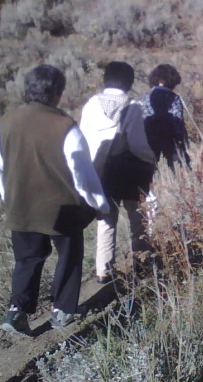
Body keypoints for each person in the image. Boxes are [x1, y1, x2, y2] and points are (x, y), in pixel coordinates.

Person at [0, 65, 110, 334]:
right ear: (58, 92)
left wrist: (9, 198)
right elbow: (83, 175)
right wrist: (99, 205)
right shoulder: (65, 126)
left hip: (20, 205)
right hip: (62, 208)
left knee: (27, 258)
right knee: (69, 255)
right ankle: (63, 310)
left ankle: (16, 311)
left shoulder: (5, 122)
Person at [80, 62, 157, 283]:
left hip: (97, 172)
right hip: (127, 171)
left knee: (106, 220)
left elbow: (83, 138)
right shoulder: (131, 106)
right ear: (129, 82)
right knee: (136, 216)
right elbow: (137, 143)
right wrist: (151, 159)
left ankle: (103, 271)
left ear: (106, 79)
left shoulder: (91, 104)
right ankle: (141, 258)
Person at [141, 64, 190, 169]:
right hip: (169, 140)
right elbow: (178, 123)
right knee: (177, 168)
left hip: (148, 138)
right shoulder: (175, 98)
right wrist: (182, 141)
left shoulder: (144, 98)